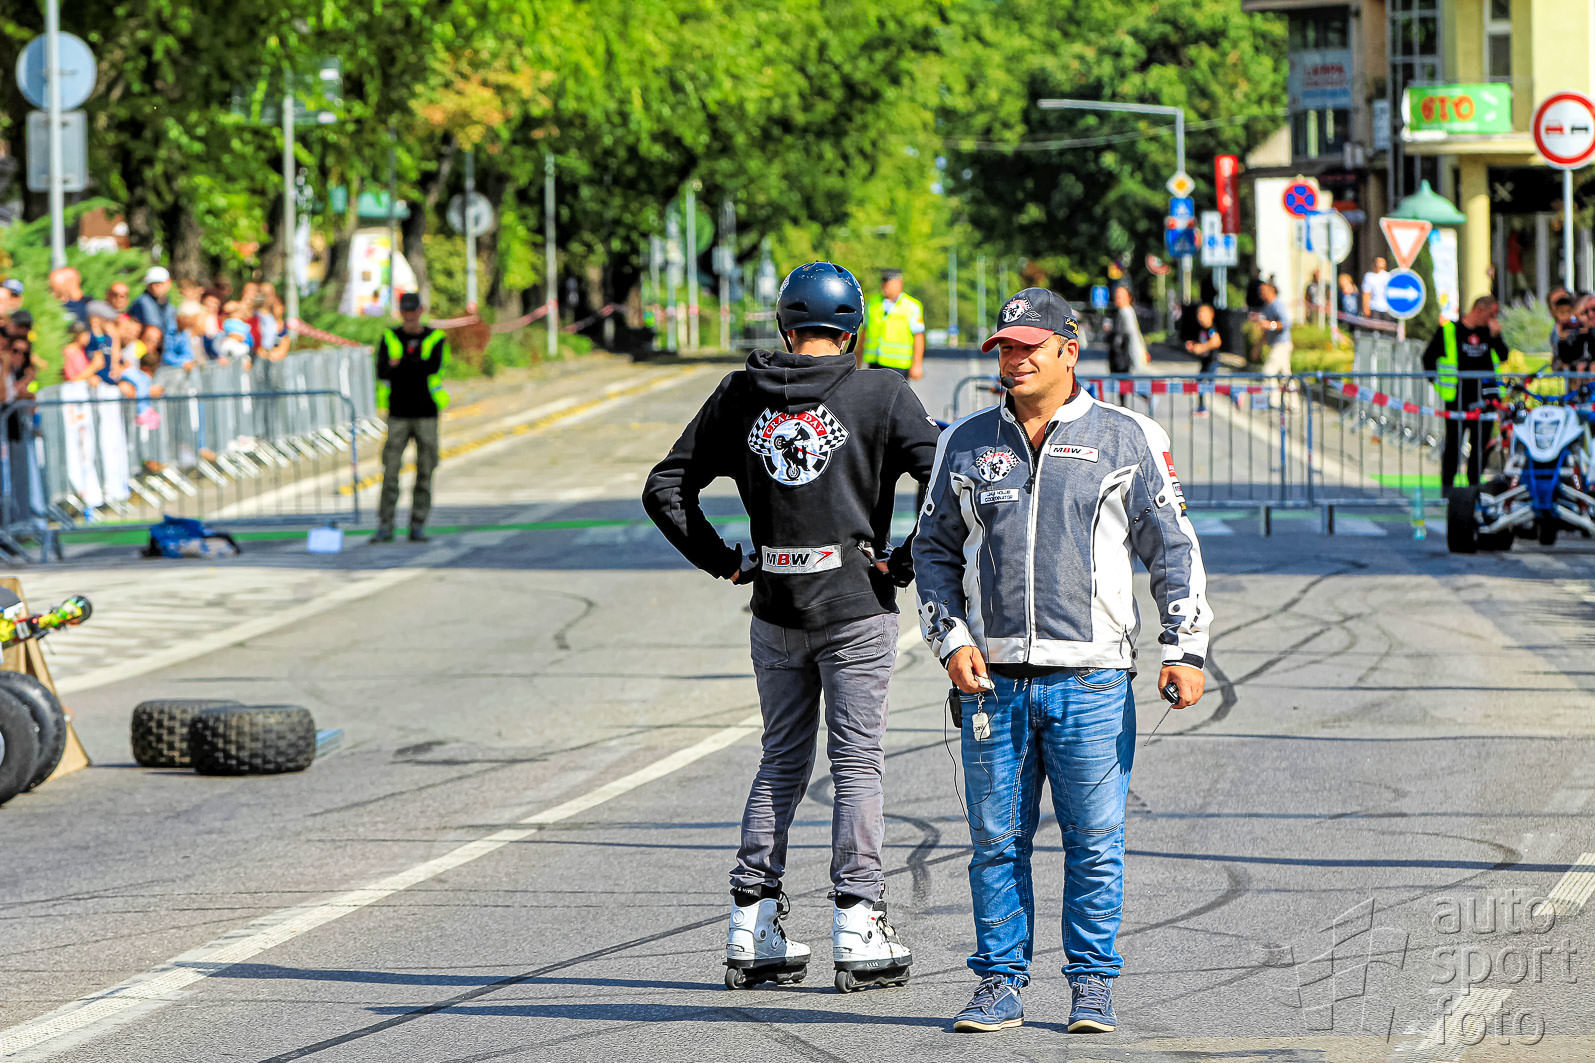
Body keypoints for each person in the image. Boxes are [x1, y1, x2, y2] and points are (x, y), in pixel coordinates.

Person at [913, 287, 1211, 1035]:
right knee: (995, 845)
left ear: (1068, 352)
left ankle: (1091, 986)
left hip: (1093, 681)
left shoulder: (1127, 436)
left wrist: (1183, 648)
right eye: (1004, 350)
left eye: (1029, 348)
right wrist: (951, 639)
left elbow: (1172, 549)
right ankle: (998, 985)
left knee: (1094, 845)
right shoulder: (965, 441)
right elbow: (932, 549)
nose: (1014, 361)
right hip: (993, 684)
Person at [642, 261, 937, 993]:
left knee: (780, 761)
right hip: (856, 605)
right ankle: (858, 918)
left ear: (783, 325)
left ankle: (753, 919)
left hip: (775, 606)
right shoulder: (881, 393)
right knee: (857, 763)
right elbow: (944, 478)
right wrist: (904, 559)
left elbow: (665, 486)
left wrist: (723, 560)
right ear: (855, 330)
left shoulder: (740, 393)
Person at [372, 292, 449, 543]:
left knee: (425, 470)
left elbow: (432, 367)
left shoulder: (435, 337)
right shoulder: (390, 337)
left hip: (426, 413)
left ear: (420, 310)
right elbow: (383, 371)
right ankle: (385, 525)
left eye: (413, 311)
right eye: (405, 311)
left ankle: (418, 524)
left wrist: (401, 363)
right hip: (398, 413)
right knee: (390, 472)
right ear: (401, 312)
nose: (409, 316)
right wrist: (412, 363)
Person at [1422, 296, 1509, 494]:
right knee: (1453, 446)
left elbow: (1503, 356)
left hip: (1486, 400)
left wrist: (1496, 336)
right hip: (1458, 400)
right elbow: (1428, 358)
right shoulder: (1449, 330)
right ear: (1479, 310)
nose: (1493, 319)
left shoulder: (1490, 331)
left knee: (1480, 448)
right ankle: (1448, 491)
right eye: (1491, 314)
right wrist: (1438, 384)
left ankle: (1473, 490)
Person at [857, 268, 926, 380]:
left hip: (899, 366)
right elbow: (865, 332)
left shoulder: (912, 306)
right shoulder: (873, 303)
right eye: (883, 282)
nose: (884, 286)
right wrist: (858, 356)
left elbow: (918, 336)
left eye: (888, 283)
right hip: (875, 363)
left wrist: (917, 364)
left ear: (899, 283)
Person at [1252, 280, 1295, 409]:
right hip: (1276, 344)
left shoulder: (1277, 305)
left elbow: (1286, 323)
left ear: (1271, 291)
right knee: (1285, 375)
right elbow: (1265, 331)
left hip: (1281, 344)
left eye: (1263, 291)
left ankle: (1274, 401)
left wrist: (1271, 325)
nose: (1260, 294)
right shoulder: (1266, 307)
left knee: (1268, 372)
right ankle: (1293, 403)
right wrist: (1258, 347)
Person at [1185, 303, 1222, 414]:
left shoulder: (1211, 329)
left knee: (1210, 385)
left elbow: (1216, 341)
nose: (1200, 316)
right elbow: (1201, 343)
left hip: (1212, 361)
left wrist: (1202, 347)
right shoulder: (1202, 329)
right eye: (1199, 314)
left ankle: (1233, 393)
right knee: (1200, 383)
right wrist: (1193, 345)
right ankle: (1201, 407)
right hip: (1205, 361)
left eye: (1203, 313)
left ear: (1211, 315)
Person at [131, 267, 179, 345]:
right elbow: (155, 326)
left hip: (164, 346)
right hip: (141, 347)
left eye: (159, 283)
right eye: (151, 284)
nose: (154, 287)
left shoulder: (171, 308)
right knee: (152, 333)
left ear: (169, 283)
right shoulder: (143, 301)